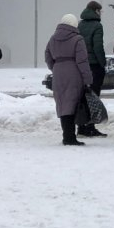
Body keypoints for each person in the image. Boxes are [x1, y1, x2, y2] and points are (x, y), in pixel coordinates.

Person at [46, 13, 93, 147]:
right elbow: (82, 61)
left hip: (58, 72)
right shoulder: (78, 39)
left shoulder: (53, 38)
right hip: (74, 73)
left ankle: (66, 135)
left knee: (62, 104)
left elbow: (47, 56)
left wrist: (55, 67)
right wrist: (87, 78)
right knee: (72, 104)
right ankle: (70, 137)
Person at [77, 1, 107, 137]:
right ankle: (90, 127)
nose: (101, 13)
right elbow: (98, 47)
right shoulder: (97, 26)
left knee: (82, 97)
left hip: (80, 66)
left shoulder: (80, 25)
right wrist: (102, 63)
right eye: (100, 11)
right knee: (94, 97)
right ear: (95, 11)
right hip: (94, 65)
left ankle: (81, 127)